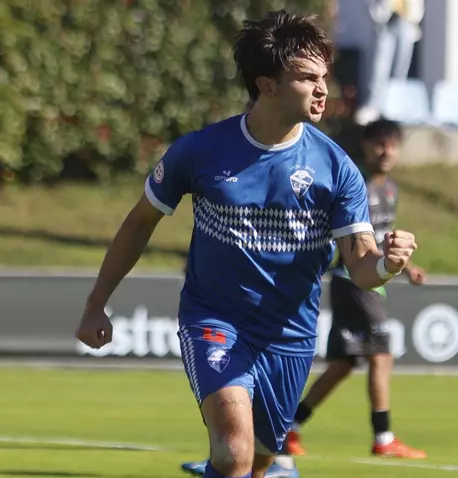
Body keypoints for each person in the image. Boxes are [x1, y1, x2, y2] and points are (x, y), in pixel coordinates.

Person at [74, 10, 419, 478]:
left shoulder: (337, 168)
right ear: (267, 85)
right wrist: (96, 303)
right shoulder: (200, 151)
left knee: (258, 463)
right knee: (232, 452)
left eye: (324, 77)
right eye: (307, 78)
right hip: (215, 320)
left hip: (291, 337)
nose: (322, 89)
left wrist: (387, 266)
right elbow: (139, 224)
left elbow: (360, 264)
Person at [287, 118, 427, 459]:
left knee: (344, 363)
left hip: (369, 282)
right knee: (382, 354)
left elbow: (380, 238)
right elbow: (350, 239)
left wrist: (407, 267)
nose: (386, 152)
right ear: (366, 146)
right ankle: (383, 437)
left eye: (392, 145)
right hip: (353, 281)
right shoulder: (355, 184)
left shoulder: (390, 189)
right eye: (379, 144)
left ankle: (290, 427)